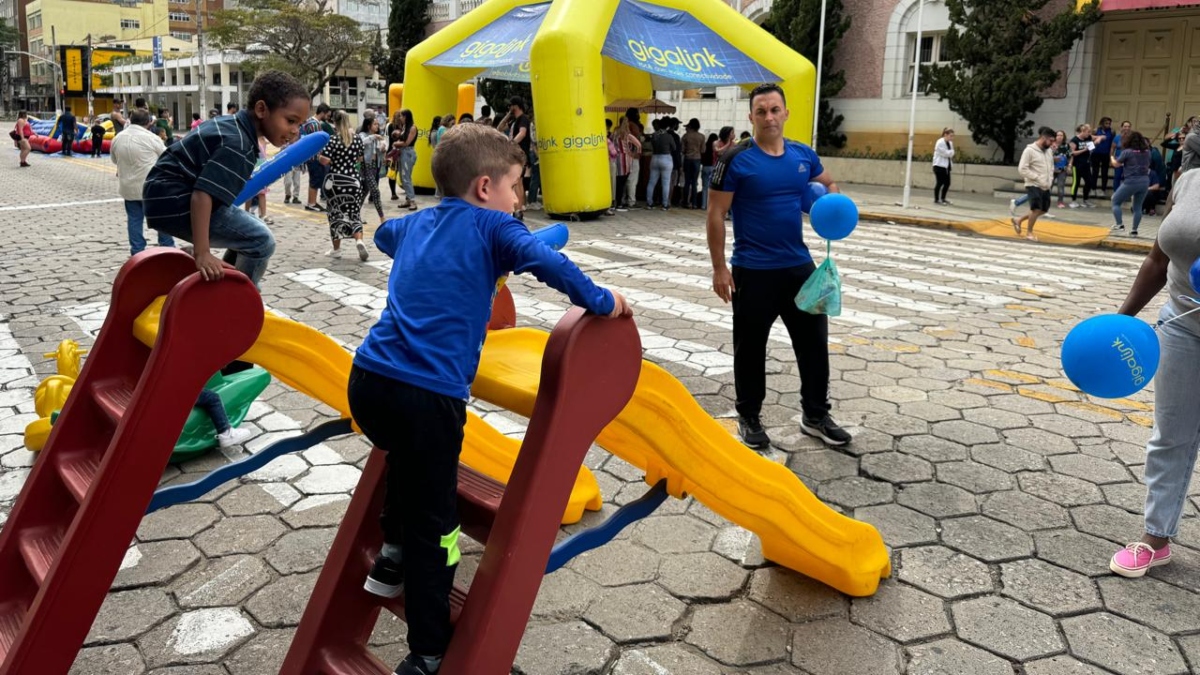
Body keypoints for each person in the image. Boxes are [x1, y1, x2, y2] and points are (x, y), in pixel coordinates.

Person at [350, 122, 631, 675]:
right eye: (515, 187)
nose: (518, 199)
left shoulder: (418, 223)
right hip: (429, 397)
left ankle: (390, 556)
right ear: (485, 188)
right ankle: (428, 650)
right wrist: (603, 299)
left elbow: (386, 237)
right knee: (440, 525)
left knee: (403, 464)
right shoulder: (493, 228)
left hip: (369, 382)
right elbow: (550, 264)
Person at [706, 83, 851, 450]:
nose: (769, 116)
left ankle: (815, 415)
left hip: (800, 267)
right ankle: (749, 416)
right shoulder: (734, 159)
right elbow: (716, 214)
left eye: (774, 109)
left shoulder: (803, 155)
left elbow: (828, 182)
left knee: (815, 344)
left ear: (785, 113)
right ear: (750, 116)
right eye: (761, 111)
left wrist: (833, 208)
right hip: (753, 270)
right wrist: (720, 268)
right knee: (751, 347)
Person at [1109, 169, 1200, 579]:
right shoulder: (1190, 179)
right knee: (1170, 434)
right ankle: (1155, 539)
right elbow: (1158, 258)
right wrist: (1119, 322)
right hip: (1182, 324)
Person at [144, 70, 310, 288]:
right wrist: (203, 252)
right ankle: (237, 298)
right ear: (261, 109)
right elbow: (202, 195)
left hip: (161, 198)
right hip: (176, 200)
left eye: (299, 124)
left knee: (248, 233)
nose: (295, 131)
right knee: (261, 240)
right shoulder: (238, 144)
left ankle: (222, 285)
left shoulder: (231, 126)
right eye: (290, 121)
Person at [111, 109, 175, 255]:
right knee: (161, 218)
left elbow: (115, 160)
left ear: (130, 119)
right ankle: (167, 248)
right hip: (152, 188)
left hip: (128, 188)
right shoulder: (152, 138)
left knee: (134, 220)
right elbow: (167, 158)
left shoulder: (118, 138)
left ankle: (137, 252)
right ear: (149, 122)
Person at [320, 110, 369, 261]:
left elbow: (324, 160)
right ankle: (359, 240)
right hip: (354, 181)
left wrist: (327, 159)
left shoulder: (333, 140)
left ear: (335, 122)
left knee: (336, 214)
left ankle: (337, 249)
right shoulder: (357, 139)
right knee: (354, 213)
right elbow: (360, 158)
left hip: (336, 182)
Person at [1011, 127, 1056, 241]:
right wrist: (1037, 178)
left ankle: (1019, 220)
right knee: (1036, 208)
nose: (1052, 143)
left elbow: (1051, 167)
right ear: (1043, 138)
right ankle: (1029, 233)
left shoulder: (1049, 151)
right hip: (1033, 184)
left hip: (1045, 184)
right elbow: (1022, 169)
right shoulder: (1029, 150)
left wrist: (1049, 180)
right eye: (1050, 140)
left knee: (1043, 209)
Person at [1110, 130, 1152, 237]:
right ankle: (1134, 230)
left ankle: (1119, 225)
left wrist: (1111, 157)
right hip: (1144, 181)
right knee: (1138, 207)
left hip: (1131, 181)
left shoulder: (1127, 152)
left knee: (1115, 201)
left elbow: (1116, 164)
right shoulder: (1147, 152)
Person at [302, 103, 334, 212]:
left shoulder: (309, 121)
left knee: (314, 180)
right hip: (314, 157)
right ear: (323, 113)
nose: (328, 118)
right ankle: (311, 203)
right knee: (315, 180)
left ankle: (312, 202)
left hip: (310, 156)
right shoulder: (315, 125)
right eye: (328, 115)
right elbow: (317, 143)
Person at [506, 97, 532, 218]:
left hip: (520, 154)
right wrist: (507, 116)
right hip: (516, 153)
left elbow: (522, 133)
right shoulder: (515, 120)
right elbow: (500, 127)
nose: (509, 108)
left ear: (516, 106)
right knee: (518, 182)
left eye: (511, 105)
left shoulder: (523, 119)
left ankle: (518, 209)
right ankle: (518, 209)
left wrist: (511, 144)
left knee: (518, 182)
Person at [359, 115, 388, 226]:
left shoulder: (377, 137)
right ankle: (382, 218)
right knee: (375, 191)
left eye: (377, 124)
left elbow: (379, 152)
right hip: (365, 167)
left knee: (364, 192)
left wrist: (383, 149)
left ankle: (355, 215)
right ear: (368, 125)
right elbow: (361, 142)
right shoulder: (363, 135)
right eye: (375, 124)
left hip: (375, 167)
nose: (377, 126)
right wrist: (374, 137)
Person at [645, 119, 677, 211]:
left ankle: (649, 203)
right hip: (666, 158)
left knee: (651, 182)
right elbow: (674, 148)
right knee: (666, 183)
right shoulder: (669, 136)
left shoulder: (654, 135)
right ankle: (665, 204)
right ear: (667, 126)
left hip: (655, 158)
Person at [614, 117, 642, 211]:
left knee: (618, 182)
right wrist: (634, 153)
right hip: (626, 159)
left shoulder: (615, 134)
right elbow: (638, 144)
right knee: (623, 182)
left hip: (617, 158)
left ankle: (616, 202)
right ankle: (620, 204)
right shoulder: (628, 135)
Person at [394, 109, 419, 211]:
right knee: (403, 176)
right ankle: (408, 200)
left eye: (401, 116)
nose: (400, 118)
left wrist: (396, 144)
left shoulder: (412, 128)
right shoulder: (405, 127)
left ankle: (412, 201)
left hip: (408, 153)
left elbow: (407, 143)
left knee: (406, 177)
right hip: (403, 153)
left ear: (405, 117)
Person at [1069, 123, 1096, 208]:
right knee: (1076, 183)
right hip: (1077, 165)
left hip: (1086, 164)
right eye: (1088, 132)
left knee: (1089, 182)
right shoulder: (1074, 140)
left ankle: (1085, 200)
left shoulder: (1088, 138)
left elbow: (1092, 147)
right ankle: (1073, 200)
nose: (1089, 134)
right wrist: (1084, 149)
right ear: (1082, 131)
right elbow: (1073, 153)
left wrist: (1092, 148)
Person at [682, 119, 706, 209]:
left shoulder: (685, 136)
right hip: (697, 159)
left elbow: (682, 150)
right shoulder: (702, 136)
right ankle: (694, 203)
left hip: (688, 159)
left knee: (687, 182)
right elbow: (703, 150)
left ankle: (685, 202)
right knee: (694, 182)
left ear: (691, 126)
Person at [1091, 116, 1114, 196]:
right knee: (1095, 172)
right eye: (1106, 123)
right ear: (1102, 123)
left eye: (1109, 123)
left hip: (1105, 154)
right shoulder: (1096, 130)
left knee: (1105, 172)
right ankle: (1093, 188)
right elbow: (1090, 140)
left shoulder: (1111, 132)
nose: (1108, 125)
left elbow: (1112, 144)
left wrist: (1111, 156)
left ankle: (1103, 189)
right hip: (1096, 153)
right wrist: (1090, 151)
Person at [931, 128, 955, 204]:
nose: (952, 138)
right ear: (945, 135)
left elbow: (952, 153)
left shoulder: (950, 143)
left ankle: (943, 198)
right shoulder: (940, 142)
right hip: (939, 165)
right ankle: (937, 199)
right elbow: (945, 153)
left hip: (947, 166)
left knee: (947, 183)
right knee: (940, 182)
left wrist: (950, 153)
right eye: (950, 136)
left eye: (953, 136)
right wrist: (950, 153)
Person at [700, 132, 718, 210]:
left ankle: (703, 205)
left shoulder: (705, 146)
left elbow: (702, 157)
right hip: (713, 167)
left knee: (704, 187)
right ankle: (711, 205)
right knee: (713, 188)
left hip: (705, 167)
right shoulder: (716, 147)